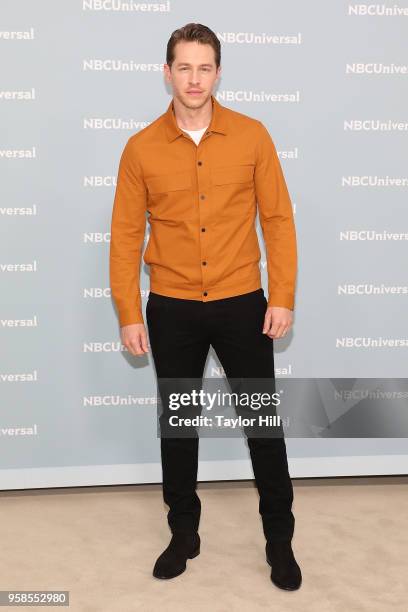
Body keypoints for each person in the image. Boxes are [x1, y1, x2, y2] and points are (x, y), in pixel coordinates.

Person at [109, 22, 301, 590]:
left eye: (205, 67)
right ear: (167, 73)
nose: (194, 79)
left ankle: (280, 543)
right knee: (178, 427)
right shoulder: (140, 147)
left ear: (218, 72)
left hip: (244, 302)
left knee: (263, 427)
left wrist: (282, 296)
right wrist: (128, 311)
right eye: (184, 67)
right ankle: (183, 534)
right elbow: (124, 237)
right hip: (171, 307)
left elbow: (279, 221)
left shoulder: (252, 136)